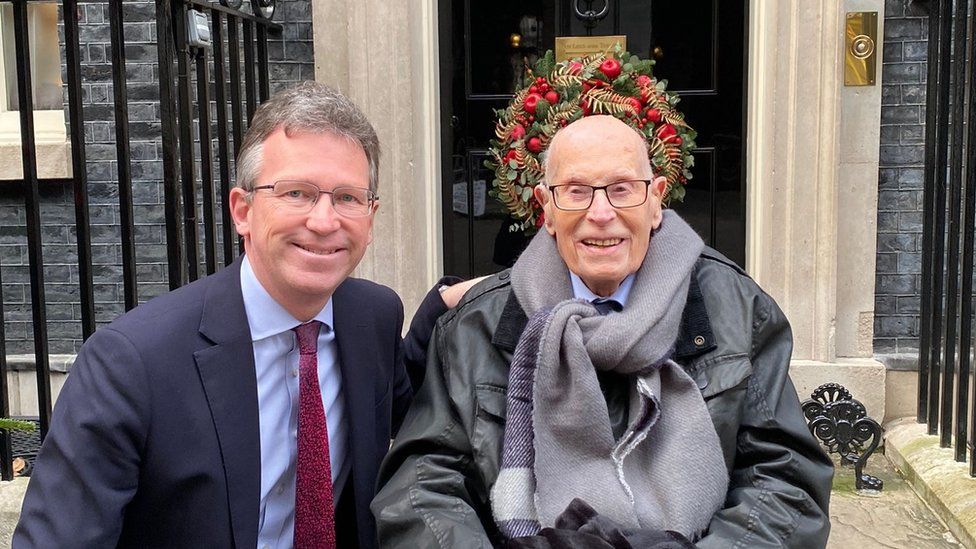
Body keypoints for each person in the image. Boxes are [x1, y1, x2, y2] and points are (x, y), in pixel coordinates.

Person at [14, 82, 471, 549]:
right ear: (242, 211)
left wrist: (449, 301)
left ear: (370, 218)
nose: (324, 221)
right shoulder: (131, 363)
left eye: (348, 198)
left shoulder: (371, 317)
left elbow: (409, 407)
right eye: (297, 192)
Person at [372, 115, 833, 548]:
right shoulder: (475, 325)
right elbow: (423, 483)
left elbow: (786, 480)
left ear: (656, 200)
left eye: (622, 189)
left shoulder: (737, 308)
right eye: (576, 191)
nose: (601, 212)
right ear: (546, 208)